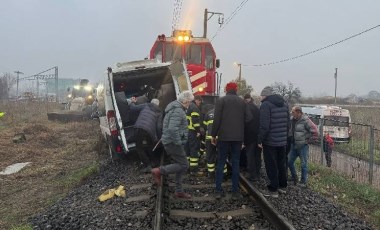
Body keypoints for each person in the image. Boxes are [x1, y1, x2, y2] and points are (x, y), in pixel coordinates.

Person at [211, 82, 251, 200]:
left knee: (221, 162)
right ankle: (235, 192)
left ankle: (218, 191)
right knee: (236, 163)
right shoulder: (242, 102)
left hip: (223, 137)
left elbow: (217, 119)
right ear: (236, 89)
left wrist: (213, 135)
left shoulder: (221, 101)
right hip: (238, 138)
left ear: (226, 89)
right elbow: (249, 118)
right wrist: (239, 124)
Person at [151, 90, 194, 199]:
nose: (189, 104)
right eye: (189, 101)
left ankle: (179, 191)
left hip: (170, 141)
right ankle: (159, 171)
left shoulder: (174, 109)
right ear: (184, 100)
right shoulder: (178, 111)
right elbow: (172, 129)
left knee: (180, 166)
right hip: (173, 143)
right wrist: (179, 142)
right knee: (184, 165)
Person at [257, 86, 289, 198]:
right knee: (281, 164)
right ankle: (282, 186)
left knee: (271, 165)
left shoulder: (265, 105)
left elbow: (264, 126)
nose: (260, 97)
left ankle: (273, 189)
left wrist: (259, 139)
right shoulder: (285, 104)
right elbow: (287, 124)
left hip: (270, 141)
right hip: (282, 141)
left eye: (261, 95)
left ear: (265, 95)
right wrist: (285, 138)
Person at [288, 106, 319, 187]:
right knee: (289, 162)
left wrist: (308, 141)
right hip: (293, 145)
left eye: (293, 112)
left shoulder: (306, 120)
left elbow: (315, 131)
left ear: (299, 112)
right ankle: (294, 177)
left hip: (303, 146)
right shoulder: (291, 120)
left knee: (303, 164)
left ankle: (303, 182)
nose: (292, 114)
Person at [130, 98, 163, 173]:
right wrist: (159, 137)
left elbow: (133, 108)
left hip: (139, 128)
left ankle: (148, 165)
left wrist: (132, 102)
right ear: (158, 104)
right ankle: (154, 162)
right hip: (149, 131)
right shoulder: (159, 112)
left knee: (139, 148)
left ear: (151, 102)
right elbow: (158, 127)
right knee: (149, 146)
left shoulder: (146, 105)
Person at [243, 93, 261, 182]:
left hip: (250, 135)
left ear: (246, 99)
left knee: (250, 155)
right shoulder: (256, 107)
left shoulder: (248, 107)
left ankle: (252, 175)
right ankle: (257, 173)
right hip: (257, 135)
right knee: (257, 155)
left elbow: (247, 120)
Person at [185, 95, 202, 174]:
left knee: (187, 150)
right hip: (192, 132)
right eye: (200, 101)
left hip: (187, 131)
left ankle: (187, 167)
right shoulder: (194, 108)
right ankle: (194, 170)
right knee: (194, 150)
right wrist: (198, 131)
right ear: (197, 100)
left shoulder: (188, 106)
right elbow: (195, 121)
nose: (200, 103)